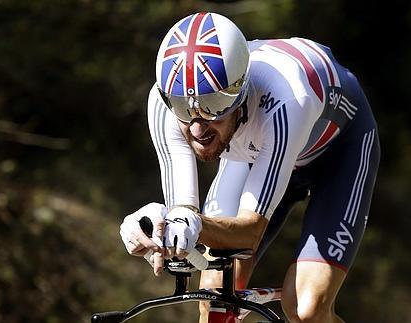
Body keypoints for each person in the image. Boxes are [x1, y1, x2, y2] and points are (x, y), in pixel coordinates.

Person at [118, 12, 380, 323]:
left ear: (241, 92)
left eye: (214, 105)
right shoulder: (162, 106)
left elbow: (250, 232)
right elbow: (183, 213)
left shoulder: (287, 99)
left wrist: (197, 225)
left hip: (338, 152)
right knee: (214, 300)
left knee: (306, 308)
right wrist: (156, 228)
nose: (198, 128)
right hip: (255, 152)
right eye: (183, 109)